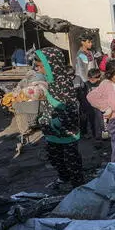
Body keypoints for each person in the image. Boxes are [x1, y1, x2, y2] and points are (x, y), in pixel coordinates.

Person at [34, 47, 85, 188]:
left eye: (40, 66)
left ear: (51, 65)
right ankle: (63, 177)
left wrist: (59, 120)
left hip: (66, 129)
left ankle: (78, 185)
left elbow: (70, 106)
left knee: (71, 158)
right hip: (51, 129)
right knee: (55, 156)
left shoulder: (63, 82)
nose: (38, 69)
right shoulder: (49, 81)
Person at [84, 68, 105, 140]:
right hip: (89, 107)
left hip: (99, 107)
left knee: (100, 122)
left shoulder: (102, 84)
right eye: (90, 78)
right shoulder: (86, 84)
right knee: (92, 122)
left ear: (99, 78)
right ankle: (96, 137)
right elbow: (83, 96)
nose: (91, 80)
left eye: (93, 79)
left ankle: (101, 136)